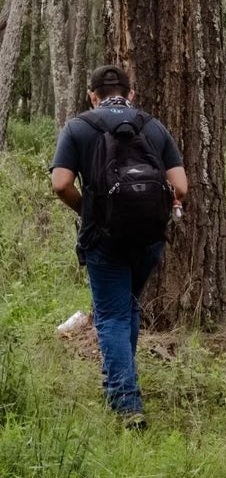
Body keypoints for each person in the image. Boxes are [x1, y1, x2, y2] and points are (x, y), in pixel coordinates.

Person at [50, 65, 188, 429]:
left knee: (111, 315)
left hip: (103, 238)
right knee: (126, 308)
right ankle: (118, 388)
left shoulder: (80, 127)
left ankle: (126, 404)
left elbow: (61, 183)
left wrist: (88, 209)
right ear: (131, 94)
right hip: (149, 238)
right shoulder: (152, 126)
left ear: (92, 95)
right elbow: (182, 185)